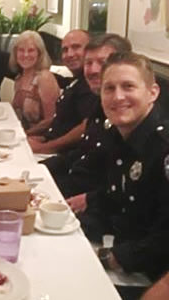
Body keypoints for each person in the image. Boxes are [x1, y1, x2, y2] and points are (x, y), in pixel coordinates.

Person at [78, 51, 169, 299]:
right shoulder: (120, 137)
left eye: (128, 86)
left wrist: (108, 258)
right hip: (122, 256)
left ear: (153, 92)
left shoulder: (163, 149)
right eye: (109, 88)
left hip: (150, 279)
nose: (118, 97)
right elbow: (116, 201)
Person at [46, 34, 132, 199]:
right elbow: (80, 154)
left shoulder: (127, 116)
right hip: (70, 186)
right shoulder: (100, 105)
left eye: (102, 62)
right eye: (89, 63)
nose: (93, 70)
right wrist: (40, 169)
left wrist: (90, 200)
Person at [28, 29, 97, 154]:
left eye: (76, 47)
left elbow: (87, 126)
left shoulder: (91, 85)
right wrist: (30, 135)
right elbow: (60, 119)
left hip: (64, 155)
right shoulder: (76, 81)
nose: (70, 54)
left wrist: (45, 147)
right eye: (65, 50)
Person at [9, 30, 60, 131]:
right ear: (15, 53)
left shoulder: (45, 78)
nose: (26, 55)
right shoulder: (19, 78)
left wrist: (26, 134)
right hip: (23, 132)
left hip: (43, 136)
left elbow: (51, 120)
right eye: (21, 50)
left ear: (39, 53)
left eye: (31, 50)